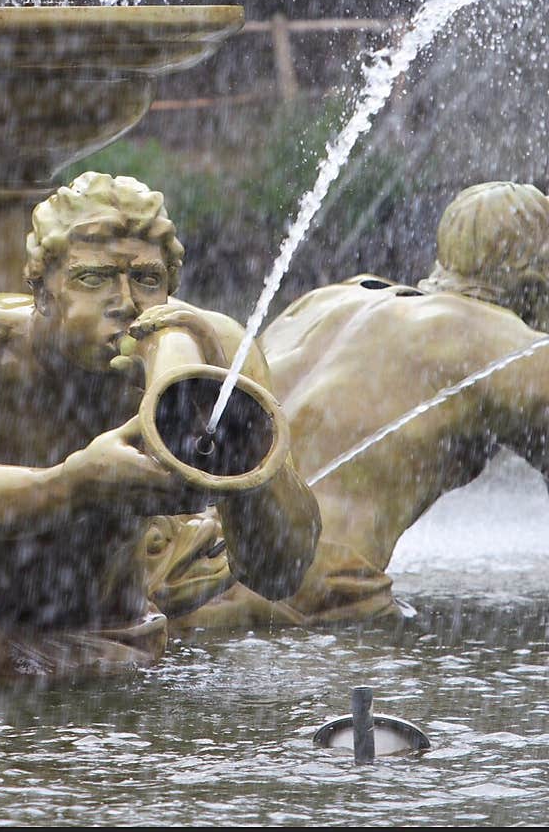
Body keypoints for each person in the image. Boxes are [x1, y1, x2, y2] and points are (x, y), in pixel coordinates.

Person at [0, 171, 320, 678]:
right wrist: (75, 483)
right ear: (42, 291)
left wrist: (244, 453)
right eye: (93, 278)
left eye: (147, 279)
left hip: (110, 628)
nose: (125, 302)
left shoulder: (216, 353)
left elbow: (281, 571)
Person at [171, 180, 549, 630]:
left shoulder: (328, 299)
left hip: (187, 560)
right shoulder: (512, 349)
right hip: (305, 585)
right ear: (539, 274)